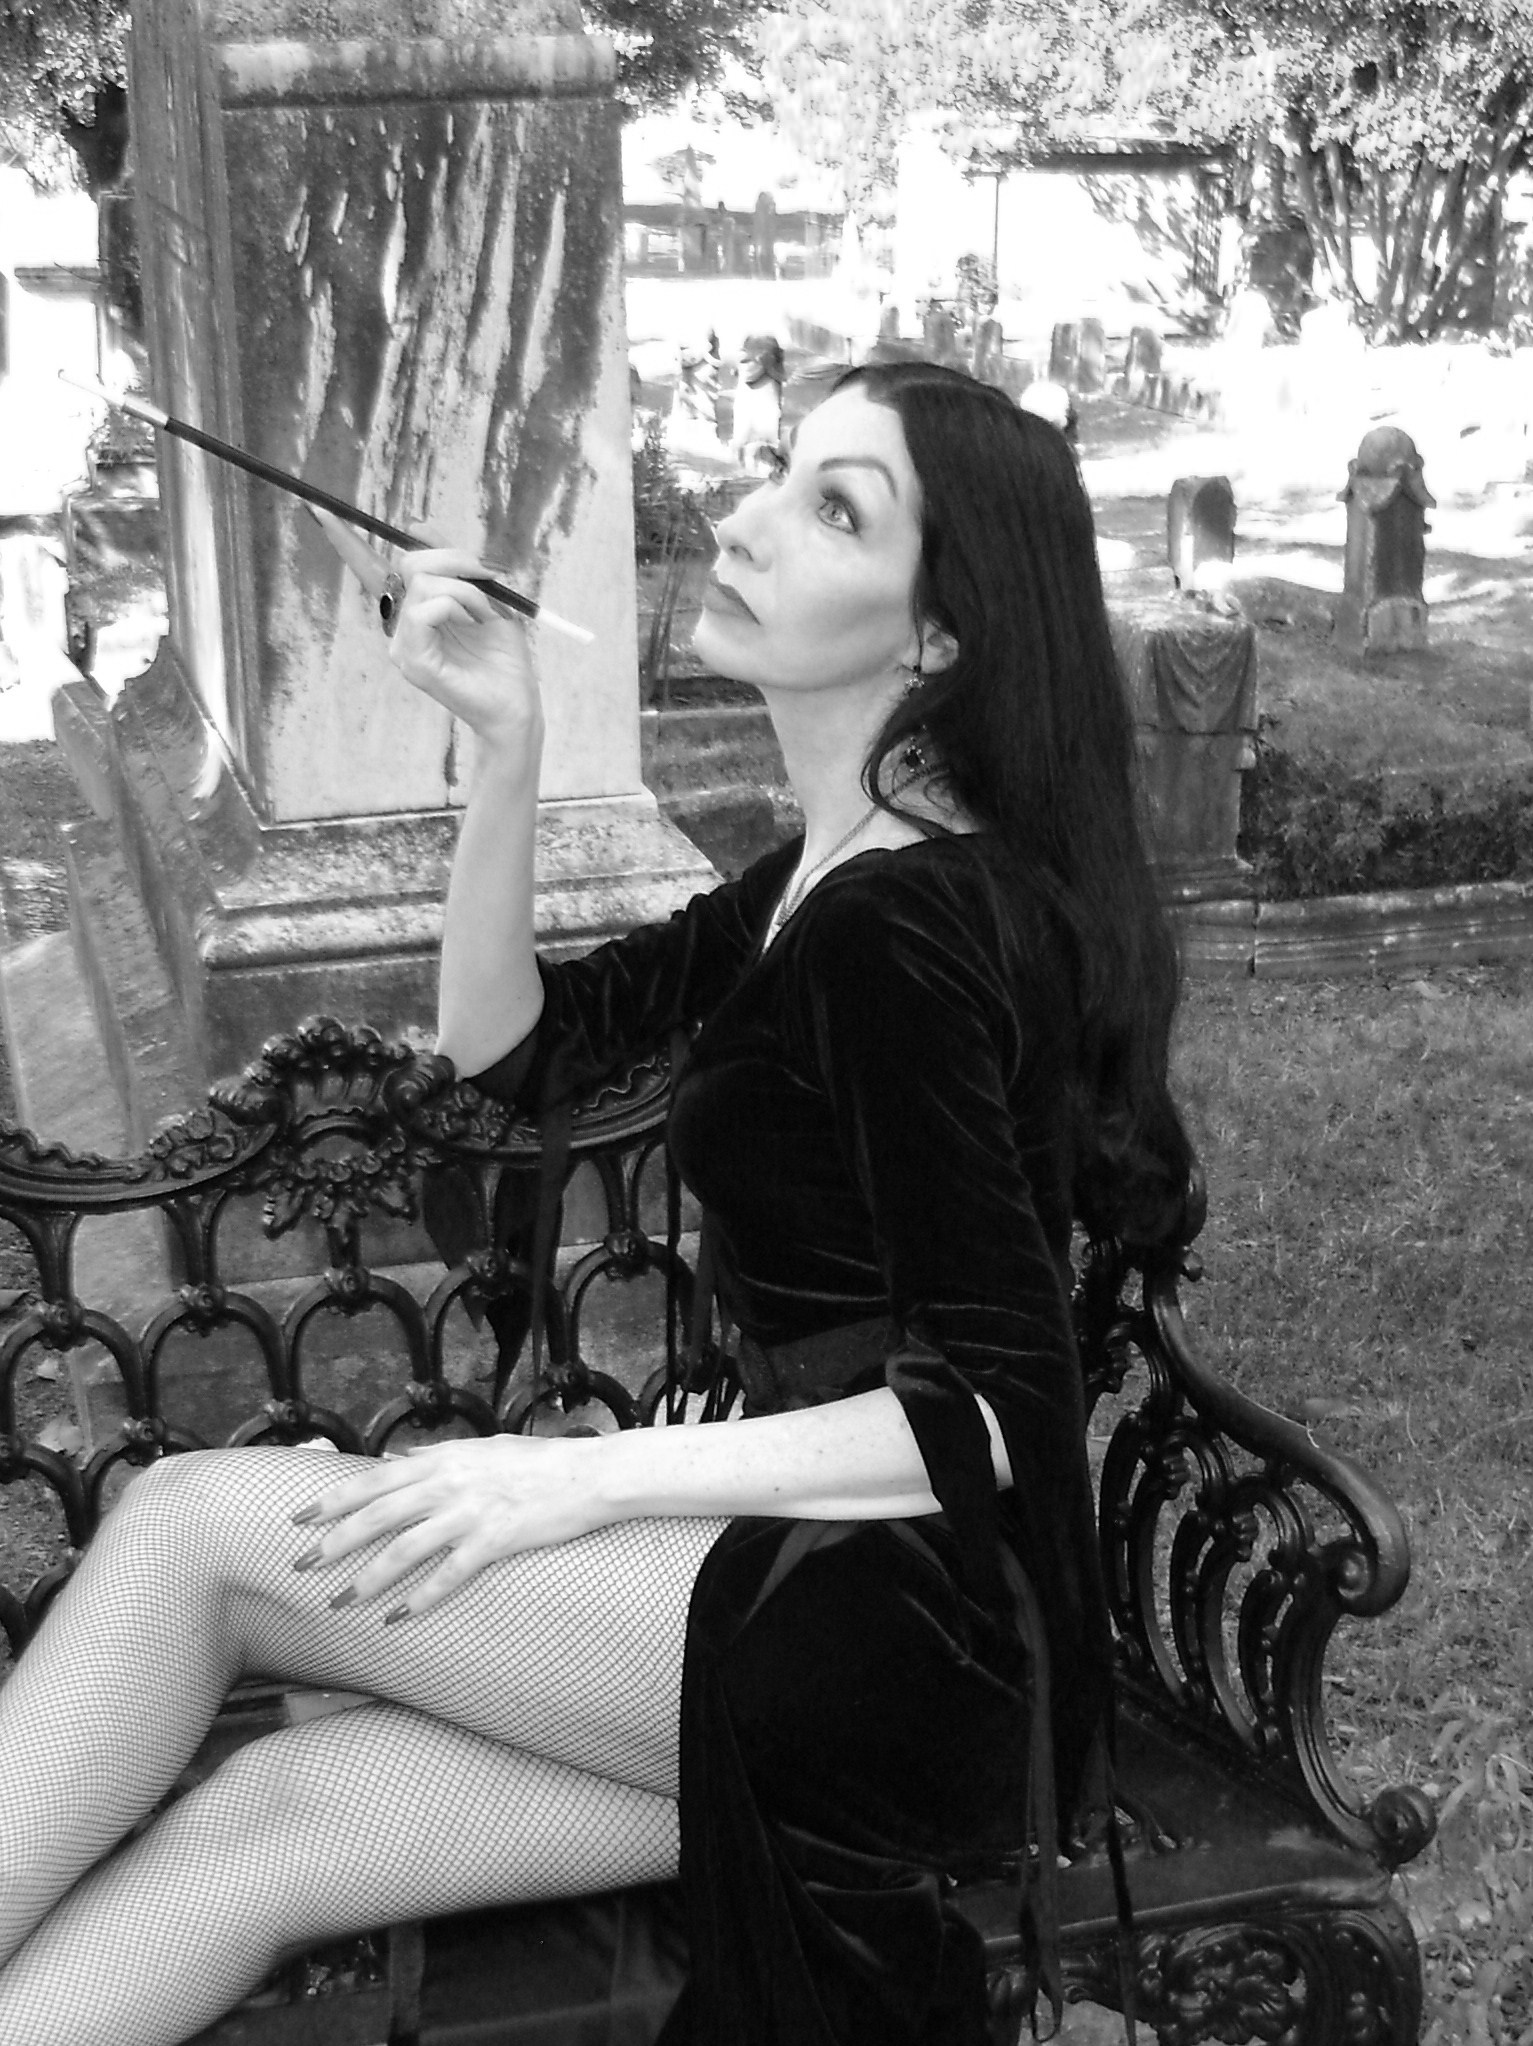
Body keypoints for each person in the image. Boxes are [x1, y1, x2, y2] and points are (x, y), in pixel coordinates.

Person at [0, 360, 1193, 2046]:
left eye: (835, 509)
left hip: (900, 1634)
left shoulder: (902, 927)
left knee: (192, 1530)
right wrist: (505, 746)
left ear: (934, 636)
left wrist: (567, 1481)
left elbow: (998, 1408)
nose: (748, 521)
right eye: (777, 471)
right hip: (810, 1583)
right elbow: (522, 1053)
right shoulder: (820, 877)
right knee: (271, 1822)